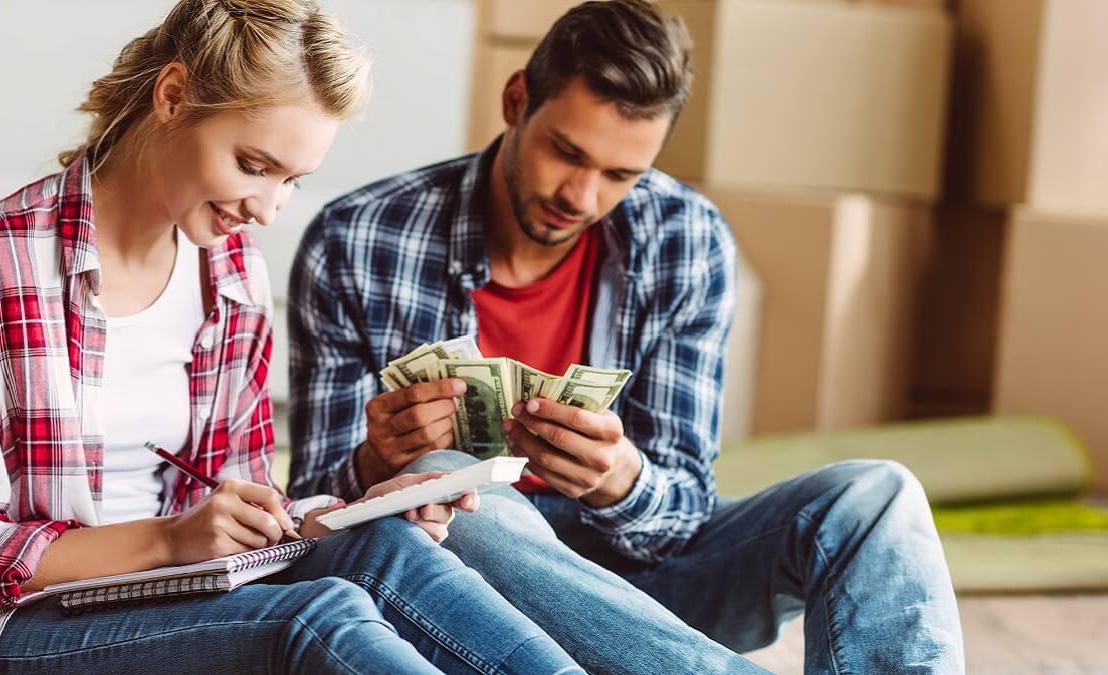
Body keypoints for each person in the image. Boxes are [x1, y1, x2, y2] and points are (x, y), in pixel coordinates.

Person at [0, 2, 587, 674]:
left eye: (291, 180)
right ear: (174, 96)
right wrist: (168, 539)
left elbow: (241, 499)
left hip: (180, 592)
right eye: (254, 165)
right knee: (315, 618)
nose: (267, 207)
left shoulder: (232, 272)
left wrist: (338, 514)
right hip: (13, 626)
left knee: (389, 548)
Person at [287, 0, 966, 672]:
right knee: (446, 483)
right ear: (516, 98)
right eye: (566, 152)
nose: (581, 196)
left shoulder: (686, 238)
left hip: (653, 585)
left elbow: (683, 511)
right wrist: (379, 463)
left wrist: (619, 479)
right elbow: (314, 527)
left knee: (877, 495)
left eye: (620, 175)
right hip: (472, 590)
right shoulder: (359, 239)